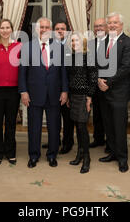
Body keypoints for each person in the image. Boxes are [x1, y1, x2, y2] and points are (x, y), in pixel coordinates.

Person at [18, 17, 68, 168]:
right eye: (42, 27)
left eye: (47, 27)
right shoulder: (27, 47)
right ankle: (33, 155)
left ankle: (52, 155)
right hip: (33, 94)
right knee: (34, 127)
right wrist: (23, 91)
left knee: (54, 127)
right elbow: (22, 73)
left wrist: (65, 91)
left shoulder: (59, 47)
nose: (44, 30)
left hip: (54, 93)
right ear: (36, 29)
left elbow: (63, 72)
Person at [97, 12, 130, 173]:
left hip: (119, 91)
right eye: (110, 23)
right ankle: (112, 153)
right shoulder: (102, 41)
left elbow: (125, 68)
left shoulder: (129, 43)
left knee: (119, 127)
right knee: (108, 125)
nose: (112, 25)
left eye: (115, 23)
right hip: (102, 91)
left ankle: (122, 158)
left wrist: (108, 82)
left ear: (121, 25)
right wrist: (99, 80)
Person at [0, 19, 21, 165]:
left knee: (11, 123)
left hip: (13, 91)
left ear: (11, 29)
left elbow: (23, 69)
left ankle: (10, 151)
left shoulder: (19, 45)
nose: (5, 30)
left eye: (7, 27)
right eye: (2, 28)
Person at [66, 33, 97, 173]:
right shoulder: (70, 57)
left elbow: (93, 77)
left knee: (82, 126)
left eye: (76, 40)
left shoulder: (89, 56)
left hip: (84, 96)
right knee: (76, 126)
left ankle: (87, 158)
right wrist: (67, 96)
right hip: (73, 96)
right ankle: (79, 154)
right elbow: (68, 78)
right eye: (72, 40)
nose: (74, 43)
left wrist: (89, 97)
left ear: (83, 42)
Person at [54, 21, 74, 154]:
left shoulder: (72, 47)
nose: (60, 31)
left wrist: (67, 92)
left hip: (67, 89)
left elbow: (72, 73)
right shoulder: (49, 46)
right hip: (52, 89)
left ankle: (68, 143)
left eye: (63, 29)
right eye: (57, 29)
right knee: (54, 118)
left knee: (67, 119)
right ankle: (55, 141)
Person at [89, 18, 108, 150]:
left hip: (108, 85)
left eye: (101, 26)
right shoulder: (90, 44)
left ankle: (111, 142)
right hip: (94, 84)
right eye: (96, 26)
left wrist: (104, 80)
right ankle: (98, 138)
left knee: (108, 115)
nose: (98, 28)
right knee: (97, 114)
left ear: (106, 27)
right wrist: (95, 79)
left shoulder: (112, 42)